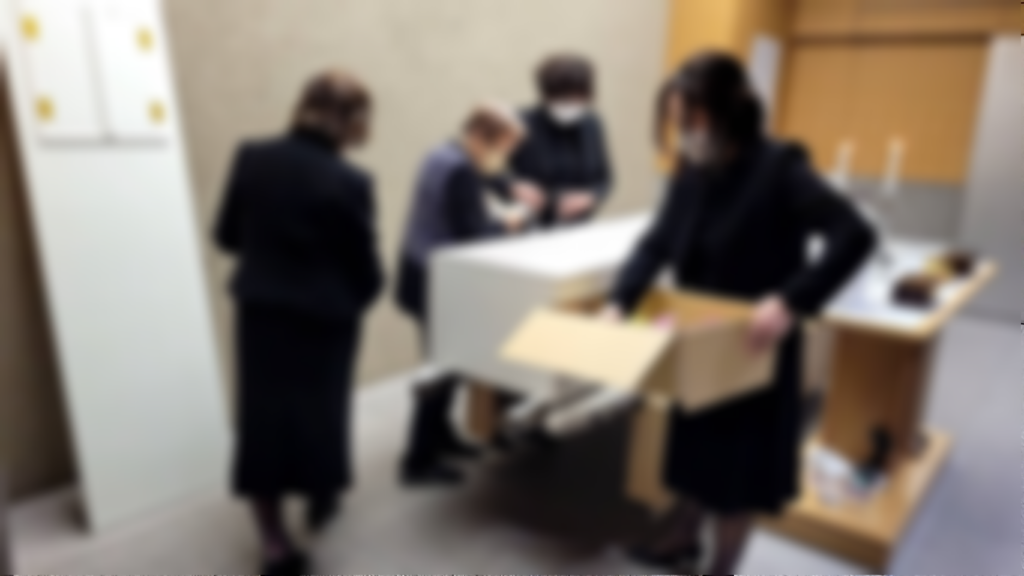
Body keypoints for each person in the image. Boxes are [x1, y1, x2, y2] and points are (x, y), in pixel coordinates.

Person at [606, 52, 877, 575]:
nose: (685, 134)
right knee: (694, 455)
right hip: (702, 340)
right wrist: (621, 299)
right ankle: (682, 540)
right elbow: (656, 242)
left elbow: (854, 234)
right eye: (677, 123)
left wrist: (792, 299)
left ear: (727, 112)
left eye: (692, 121)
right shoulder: (692, 172)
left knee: (737, 475)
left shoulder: (779, 168)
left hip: (755, 347)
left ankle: (722, 568)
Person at [214, 70, 383, 575]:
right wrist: (363, 295)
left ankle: (274, 544)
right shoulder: (351, 181)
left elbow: (226, 235)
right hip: (326, 317)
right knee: (321, 413)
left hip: (261, 310)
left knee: (263, 420)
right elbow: (364, 264)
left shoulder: (251, 156)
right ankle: (321, 494)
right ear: (355, 123)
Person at [396, 102, 529, 485]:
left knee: (447, 364)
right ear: (481, 137)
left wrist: (507, 187)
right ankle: (418, 460)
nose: (506, 157)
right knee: (442, 370)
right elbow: (477, 236)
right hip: (439, 282)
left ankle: (441, 438)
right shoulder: (460, 171)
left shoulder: (442, 152)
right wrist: (512, 223)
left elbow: (484, 182)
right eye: (505, 147)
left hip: (418, 272)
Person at [511, 53, 614, 228]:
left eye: (577, 97)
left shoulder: (591, 124)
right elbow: (490, 171)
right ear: (546, 94)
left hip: (579, 226)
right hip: (530, 226)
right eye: (563, 99)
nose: (570, 104)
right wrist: (512, 186)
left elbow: (605, 180)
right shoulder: (522, 124)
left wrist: (590, 197)